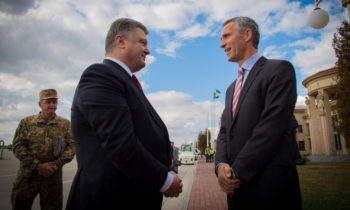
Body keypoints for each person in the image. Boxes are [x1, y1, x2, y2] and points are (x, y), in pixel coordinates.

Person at [66, 18, 183, 210]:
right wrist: (164, 180)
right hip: (109, 200)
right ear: (120, 41)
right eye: (142, 43)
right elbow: (120, 143)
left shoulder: (126, 81)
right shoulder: (100, 75)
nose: (148, 50)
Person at [215, 17, 301, 210]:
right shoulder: (231, 89)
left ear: (247, 35)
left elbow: (272, 127)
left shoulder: (278, 70)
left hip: (270, 187)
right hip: (236, 192)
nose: (221, 44)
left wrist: (236, 173)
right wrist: (220, 165)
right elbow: (224, 131)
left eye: (226, 36)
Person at [11, 89, 75, 210]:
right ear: (40, 104)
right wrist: (37, 165)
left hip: (52, 178)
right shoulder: (27, 122)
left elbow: (71, 147)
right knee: (20, 205)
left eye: (54, 102)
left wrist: (56, 165)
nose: (52, 105)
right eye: (48, 102)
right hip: (28, 176)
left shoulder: (65, 124)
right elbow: (18, 146)